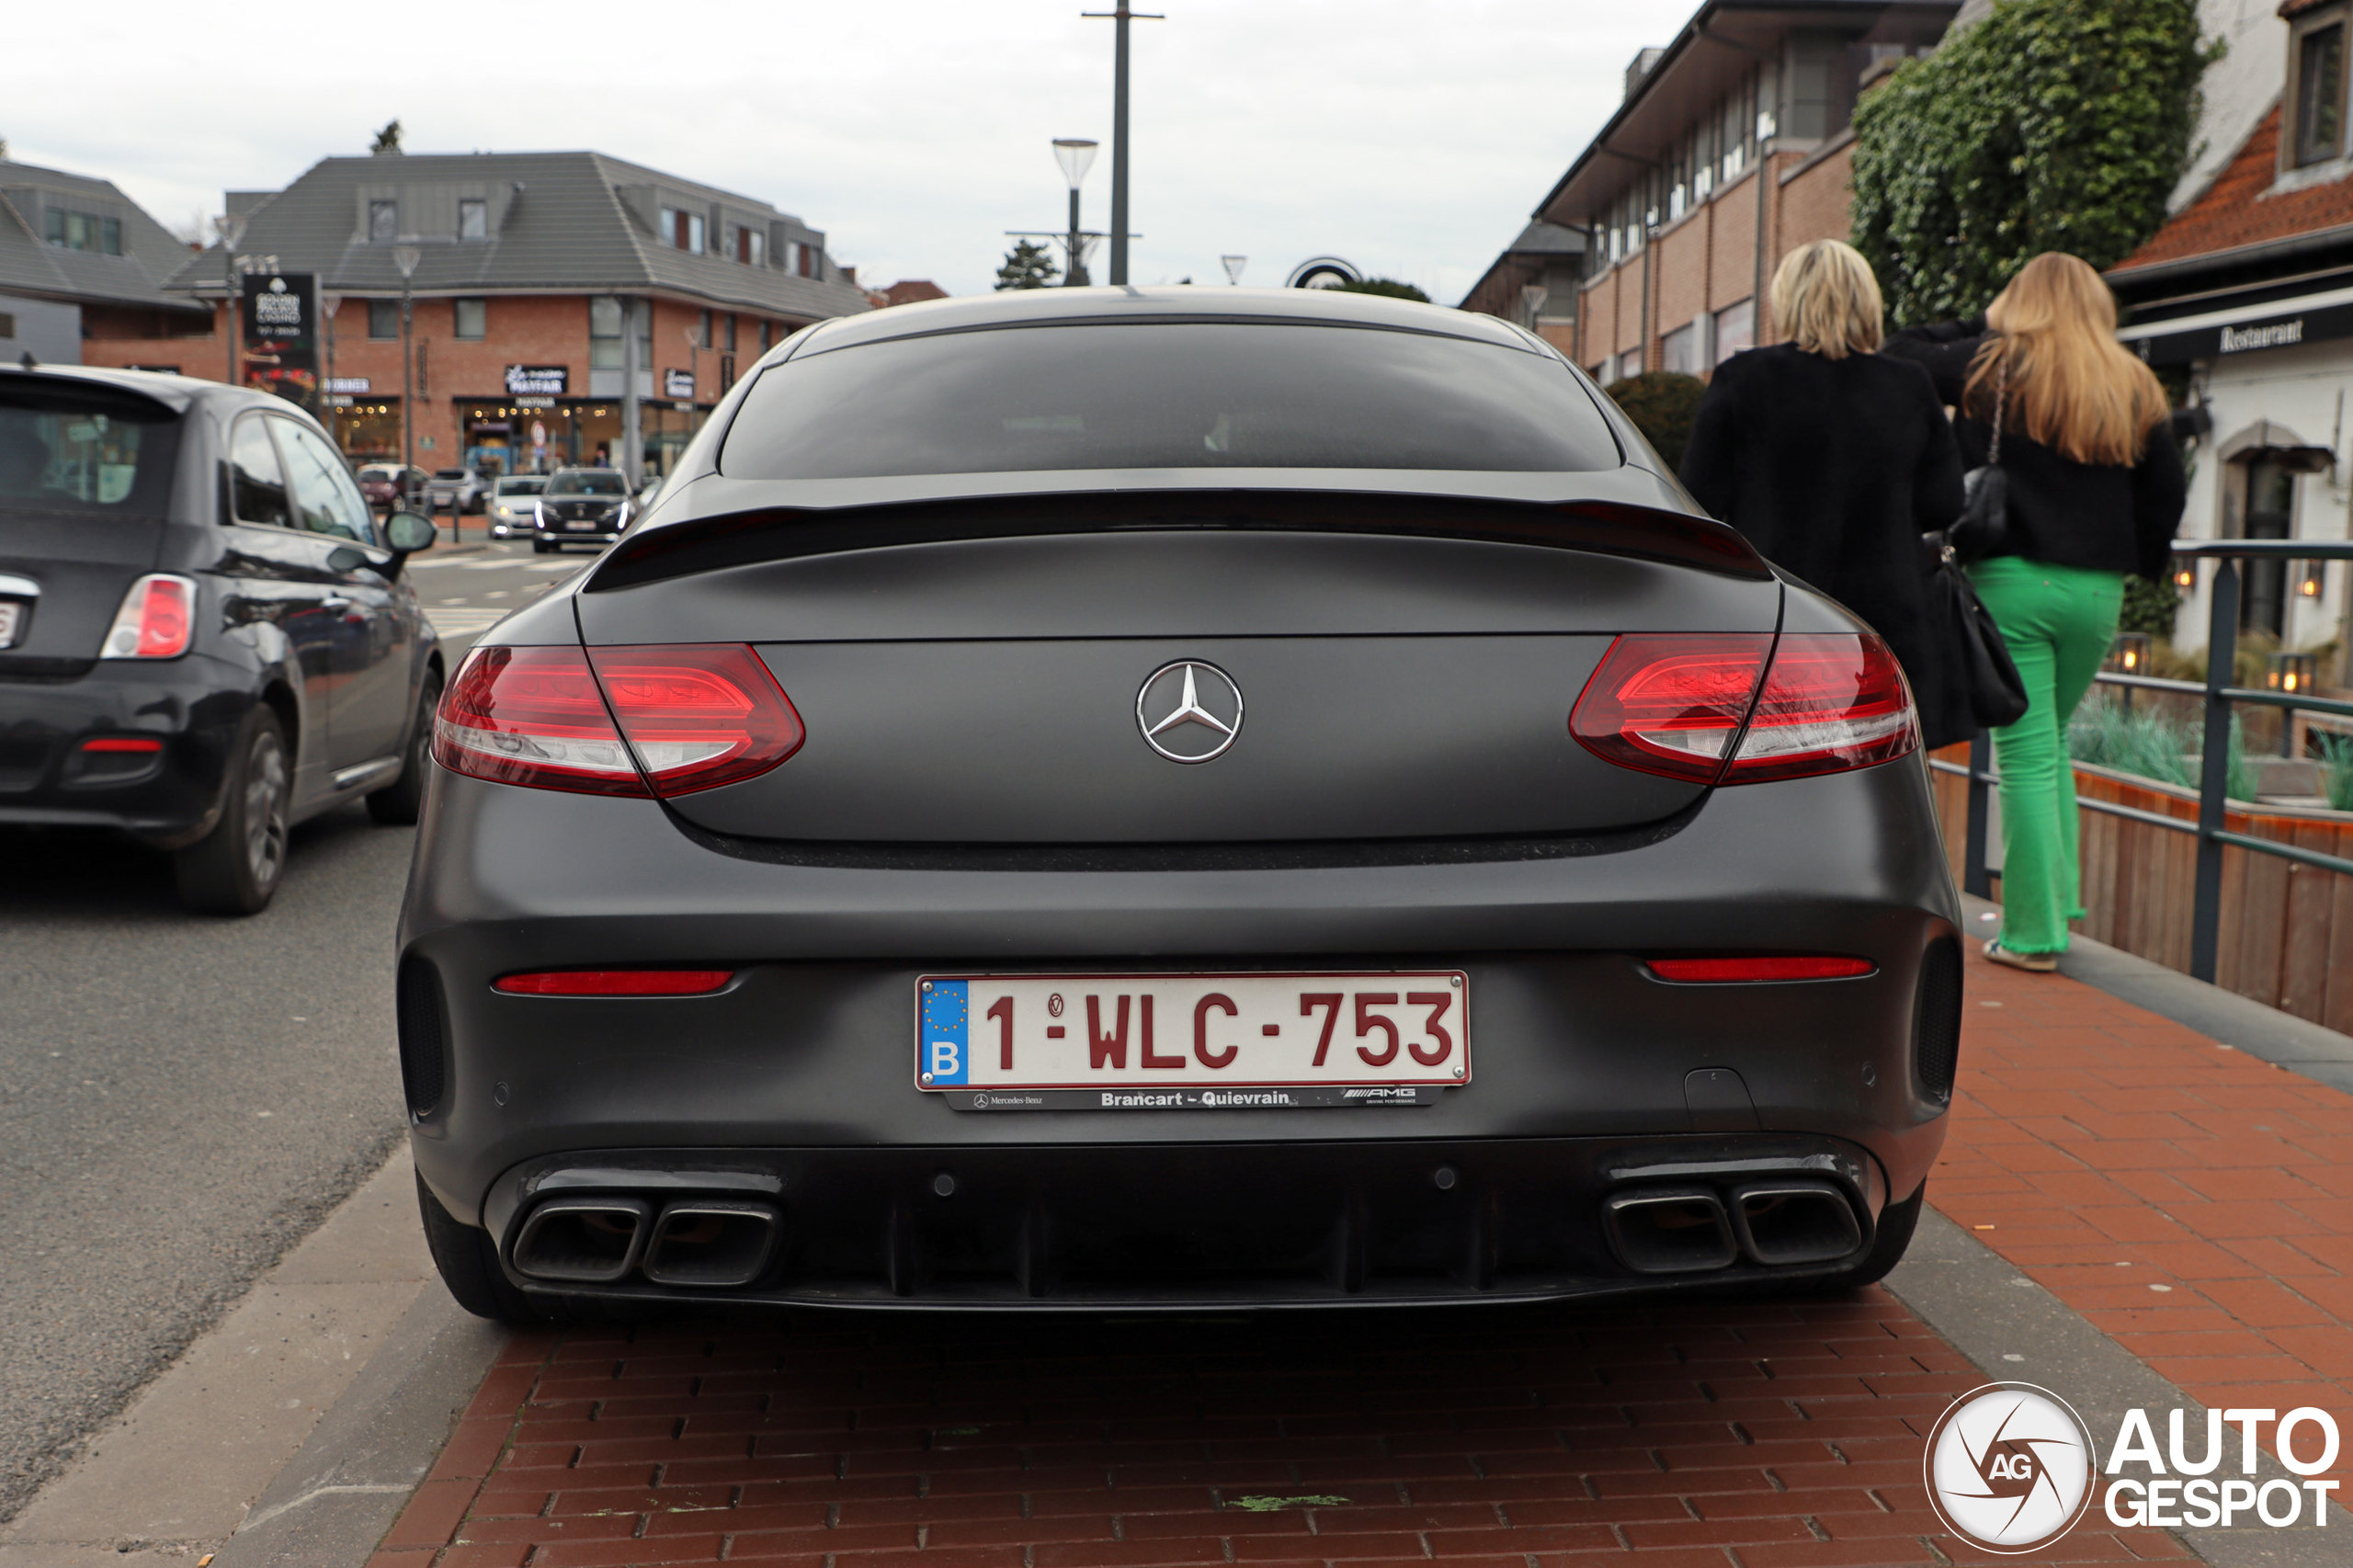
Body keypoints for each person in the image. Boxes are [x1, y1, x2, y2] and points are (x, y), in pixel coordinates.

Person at [1886, 254, 2186, 972]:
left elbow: (1900, 353)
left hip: (2013, 578)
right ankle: (2058, 903)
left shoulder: (1995, 362)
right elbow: (2165, 494)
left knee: (2022, 754)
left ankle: (2032, 934)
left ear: (2018, 302)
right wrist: (2133, 559)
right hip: (2097, 593)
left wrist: (1982, 319)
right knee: (2049, 744)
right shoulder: (2131, 379)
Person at [1680, 241, 1968, 744]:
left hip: (1777, 615)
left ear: (1788, 299)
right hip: (1887, 624)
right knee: (1891, 778)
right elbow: (1944, 503)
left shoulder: (1743, 379)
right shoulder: (1909, 384)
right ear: (1867, 301)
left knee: (1777, 770)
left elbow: (1697, 501)